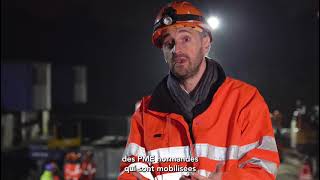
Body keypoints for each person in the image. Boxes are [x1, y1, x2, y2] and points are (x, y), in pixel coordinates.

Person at [118, 1, 280, 180]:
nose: (176, 50)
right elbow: (131, 171)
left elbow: (263, 169)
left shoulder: (245, 101)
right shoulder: (145, 113)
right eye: (168, 43)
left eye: (185, 38)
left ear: (206, 43)